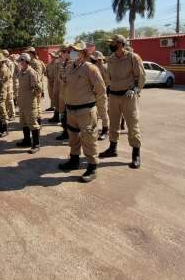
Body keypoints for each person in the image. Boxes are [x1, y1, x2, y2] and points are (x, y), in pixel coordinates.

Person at [58, 41, 106, 183]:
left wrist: (101, 113)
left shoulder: (90, 68)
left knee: (89, 139)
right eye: (71, 50)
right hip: (71, 110)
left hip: (86, 110)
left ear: (83, 53)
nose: (72, 53)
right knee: (73, 137)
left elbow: (101, 91)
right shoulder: (69, 68)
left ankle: (92, 167)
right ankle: (74, 160)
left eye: (76, 51)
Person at [99, 35, 146, 169]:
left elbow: (141, 76)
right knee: (114, 123)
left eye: (113, 43)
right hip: (114, 95)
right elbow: (108, 77)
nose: (111, 45)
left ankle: (136, 154)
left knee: (132, 124)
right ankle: (112, 149)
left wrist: (136, 89)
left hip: (128, 96)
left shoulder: (133, 57)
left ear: (120, 44)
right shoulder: (111, 59)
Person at [16, 53, 42, 153]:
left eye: (21, 60)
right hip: (22, 102)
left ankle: (36, 144)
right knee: (23, 122)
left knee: (32, 123)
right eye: (19, 61)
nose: (20, 62)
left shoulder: (31, 73)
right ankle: (26, 140)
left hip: (30, 102)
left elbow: (38, 89)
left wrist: (32, 97)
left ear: (26, 61)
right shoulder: (22, 72)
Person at [91, 51, 110, 140]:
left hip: (101, 93)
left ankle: (105, 130)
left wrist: (100, 88)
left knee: (103, 112)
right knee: (93, 112)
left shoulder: (104, 68)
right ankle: (94, 129)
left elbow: (107, 81)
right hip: (92, 93)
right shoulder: (92, 67)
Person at [24, 47, 45, 124]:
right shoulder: (31, 62)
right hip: (31, 86)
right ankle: (34, 120)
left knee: (37, 105)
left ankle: (39, 121)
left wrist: (36, 87)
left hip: (36, 86)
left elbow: (38, 76)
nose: (27, 54)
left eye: (28, 53)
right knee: (33, 105)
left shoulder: (36, 63)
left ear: (31, 53)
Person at [55, 45, 71, 140]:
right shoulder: (63, 64)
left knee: (70, 115)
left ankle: (70, 133)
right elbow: (59, 77)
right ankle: (65, 131)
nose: (62, 54)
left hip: (70, 94)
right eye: (62, 52)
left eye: (64, 52)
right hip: (63, 93)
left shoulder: (73, 64)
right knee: (63, 114)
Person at [2, 49, 16, 120]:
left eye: (4, 54)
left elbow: (11, 74)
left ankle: (13, 114)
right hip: (3, 83)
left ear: (7, 55)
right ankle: (7, 113)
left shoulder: (10, 63)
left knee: (10, 99)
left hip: (9, 83)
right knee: (5, 99)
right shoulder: (2, 62)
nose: (3, 55)